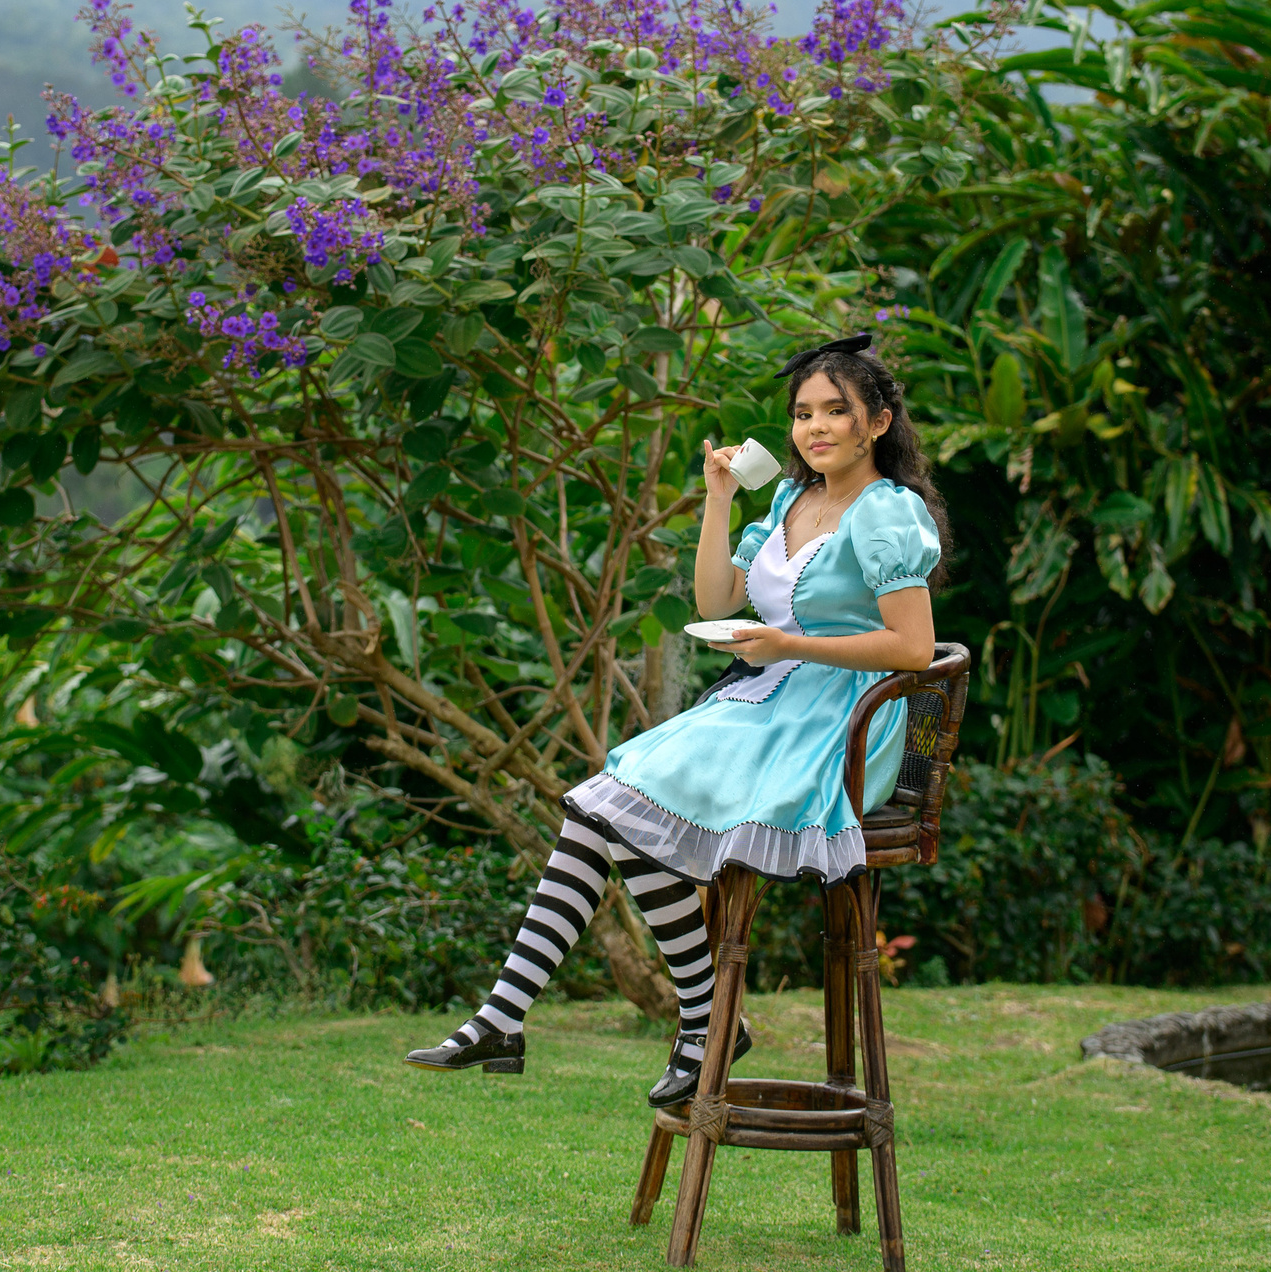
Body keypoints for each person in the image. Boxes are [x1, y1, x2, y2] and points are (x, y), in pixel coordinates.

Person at [406, 333, 951, 1105]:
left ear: (879, 424)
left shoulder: (887, 513)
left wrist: (789, 643)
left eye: (837, 411)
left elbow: (914, 646)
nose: (816, 428)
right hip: (764, 703)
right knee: (603, 808)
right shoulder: (791, 499)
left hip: (838, 722)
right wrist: (720, 496)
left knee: (610, 804)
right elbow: (716, 603)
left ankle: (667, 1019)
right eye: (803, 414)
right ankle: (532, 1015)